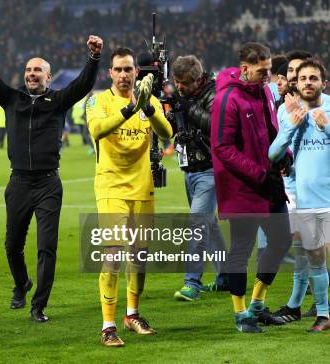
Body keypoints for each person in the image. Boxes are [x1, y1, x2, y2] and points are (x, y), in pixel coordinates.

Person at [0, 23, 102, 322]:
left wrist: (94, 58)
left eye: (38, 71)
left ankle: (38, 306)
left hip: (48, 184)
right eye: (28, 70)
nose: (32, 74)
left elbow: (82, 86)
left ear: (48, 76)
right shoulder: (11, 99)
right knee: (12, 246)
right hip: (18, 182)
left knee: (47, 248)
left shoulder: (57, 101)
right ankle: (22, 284)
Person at [86, 47, 172, 346]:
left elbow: (167, 132)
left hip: (142, 188)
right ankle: (108, 326)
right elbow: (97, 130)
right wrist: (128, 110)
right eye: (118, 70)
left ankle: (132, 314)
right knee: (112, 257)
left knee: (139, 256)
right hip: (111, 188)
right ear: (110, 72)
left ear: (137, 72)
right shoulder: (99, 101)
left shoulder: (149, 101)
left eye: (129, 70)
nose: (124, 75)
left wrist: (147, 107)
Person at [211, 42, 292, 333]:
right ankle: (240, 314)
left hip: (268, 184)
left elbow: (274, 132)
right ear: (245, 68)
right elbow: (222, 148)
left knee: (282, 240)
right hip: (243, 187)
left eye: (269, 70)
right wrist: (259, 175)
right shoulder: (227, 99)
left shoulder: (264, 94)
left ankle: (257, 303)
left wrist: (286, 157)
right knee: (241, 250)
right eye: (263, 71)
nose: (268, 76)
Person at [269, 60, 330, 332]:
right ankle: (324, 315)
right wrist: (291, 126)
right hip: (305, 200)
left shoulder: (329, 109)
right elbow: (274, 154)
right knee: (315, 260)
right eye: (303, 78)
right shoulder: (287, 111)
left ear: (323, 83)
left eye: (313, 78)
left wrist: (326, 127)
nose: (307, 82)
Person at [170, 55, 228, 302]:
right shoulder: (185, 97)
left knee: (197, 223)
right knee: (208, 225)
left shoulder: (215, 94)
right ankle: (227, 276)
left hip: (210, 169)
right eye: (177, 82)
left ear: (198, 79)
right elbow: (175, 127)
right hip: (189, 169)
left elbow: (217, 126)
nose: (180, 87)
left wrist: (187, 108)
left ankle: (191, 282)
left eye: (184, 83)